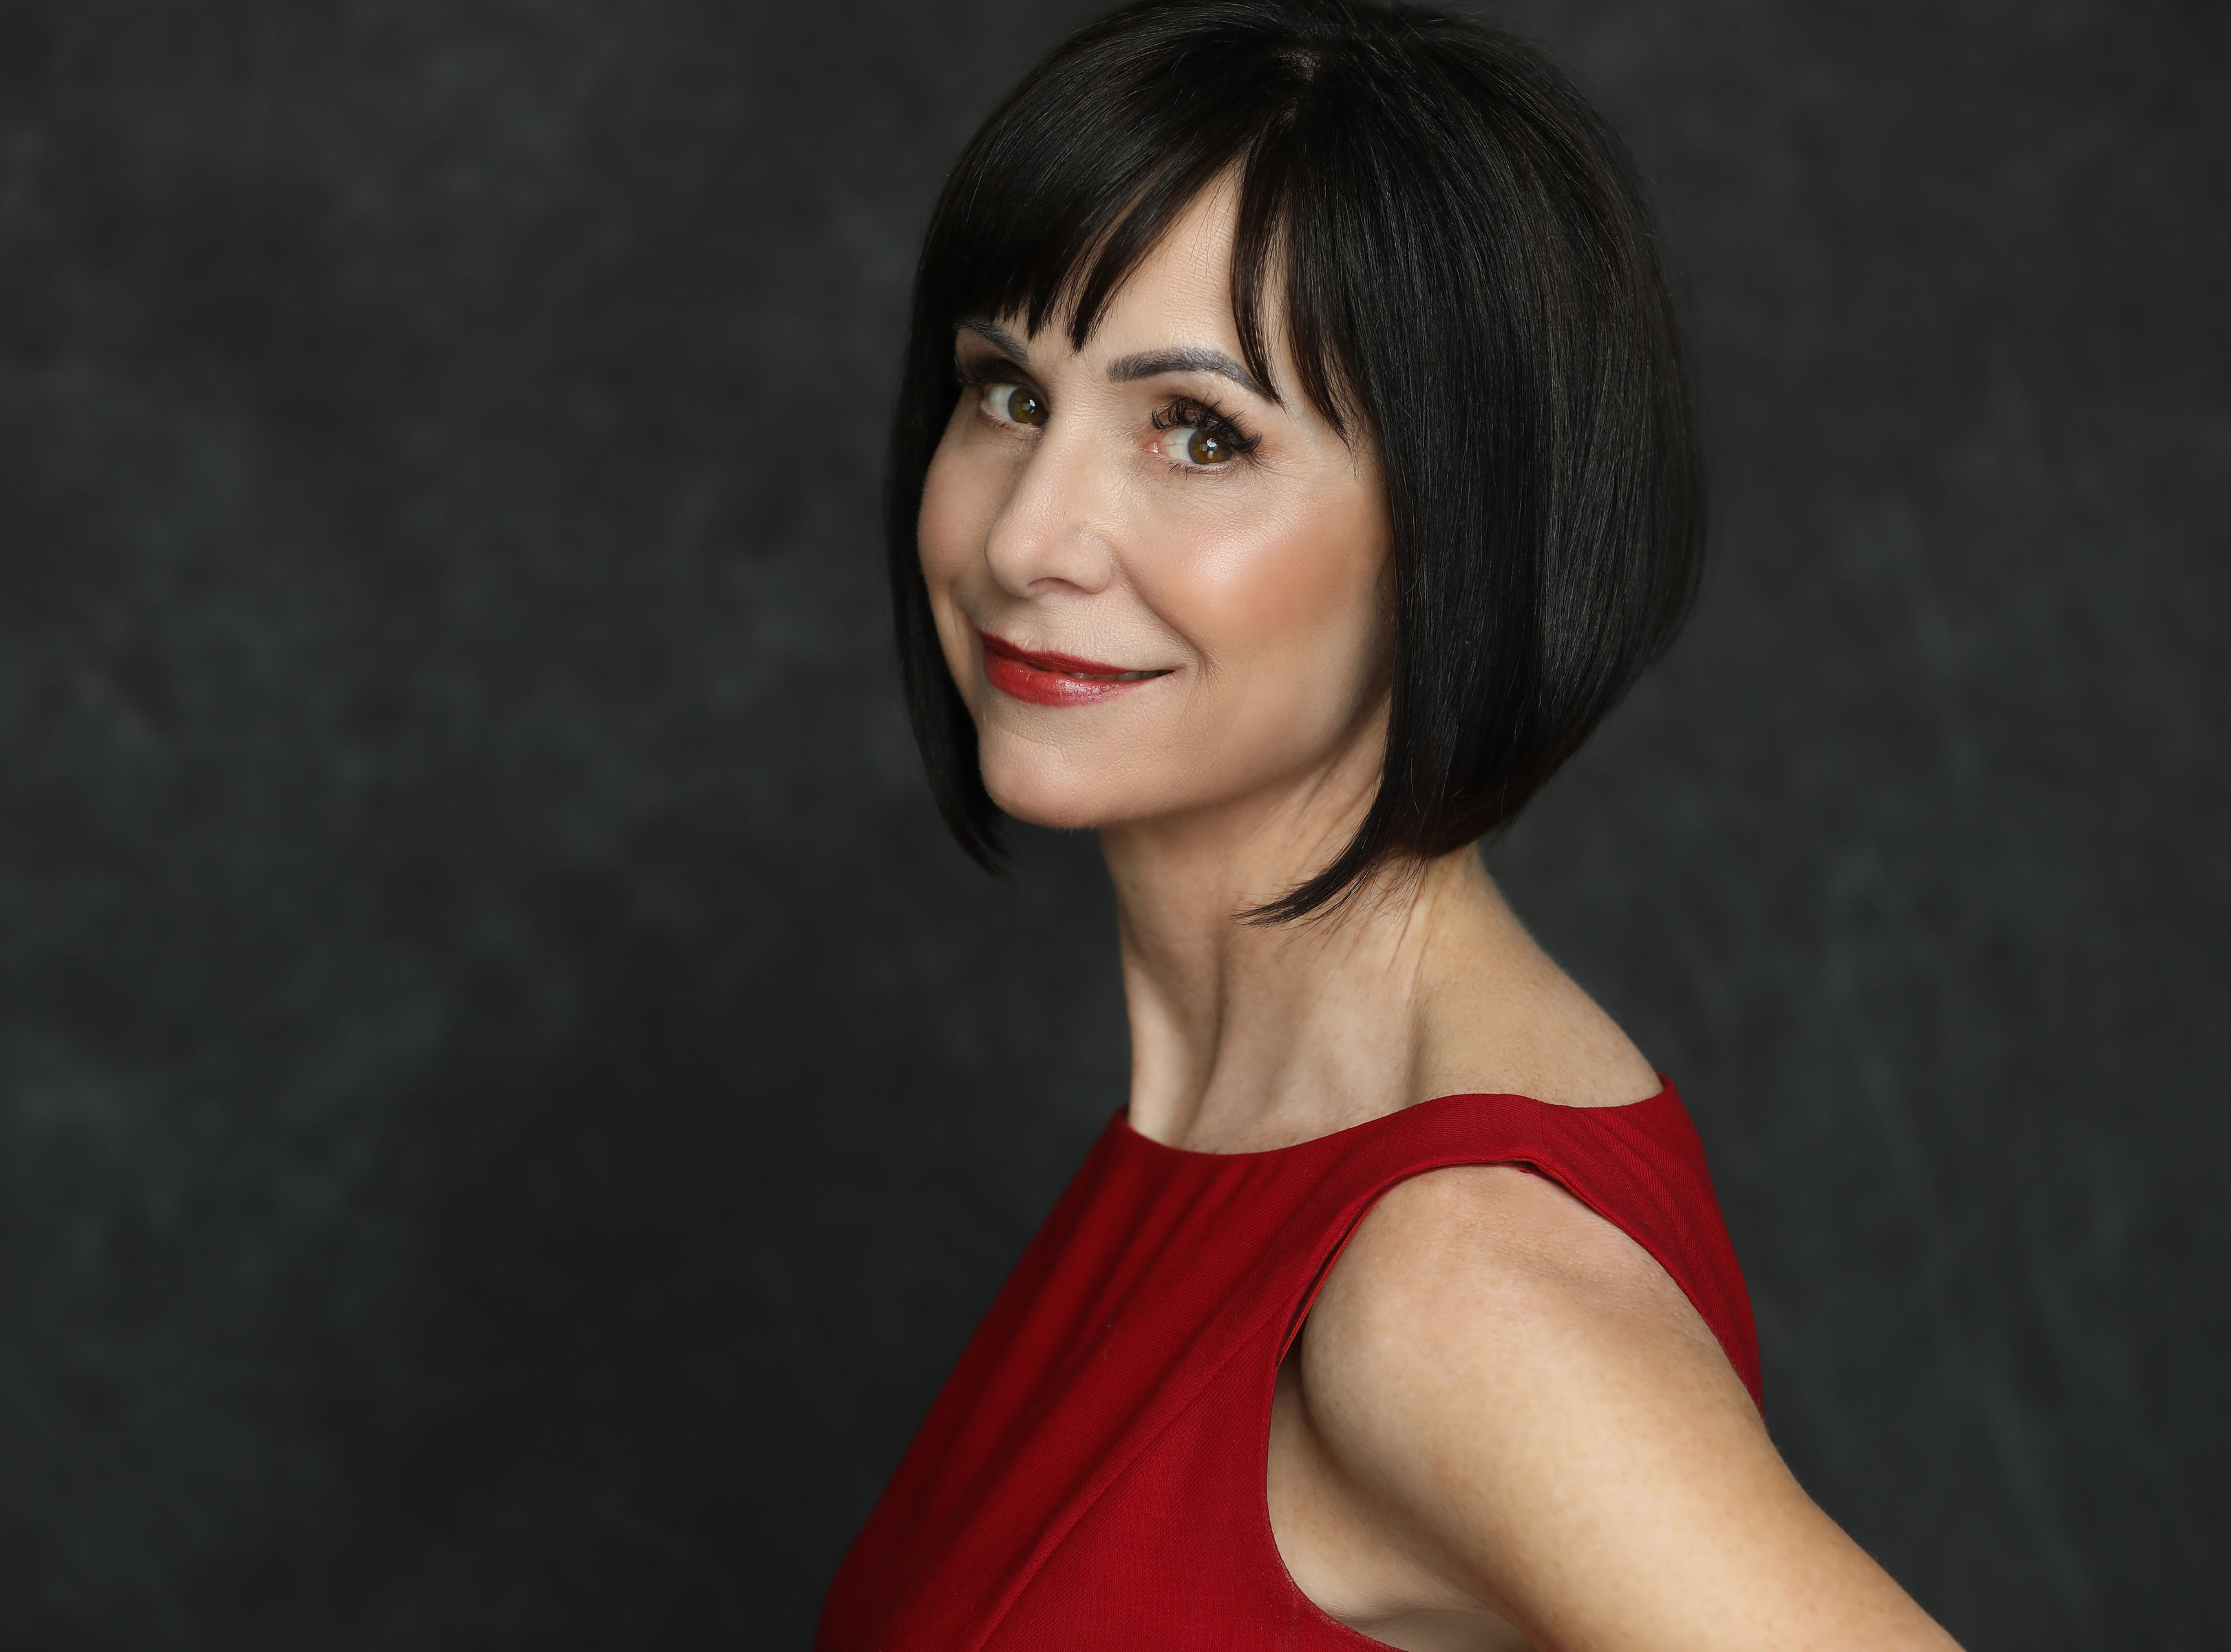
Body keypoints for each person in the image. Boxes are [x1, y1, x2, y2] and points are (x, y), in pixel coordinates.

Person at [819, 1, 1962, 1646]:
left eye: (1199, 432)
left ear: (1460, 536)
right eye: (1006, 391)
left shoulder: (1453, 1285)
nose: (1030, 535)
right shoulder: (1226, 1146)